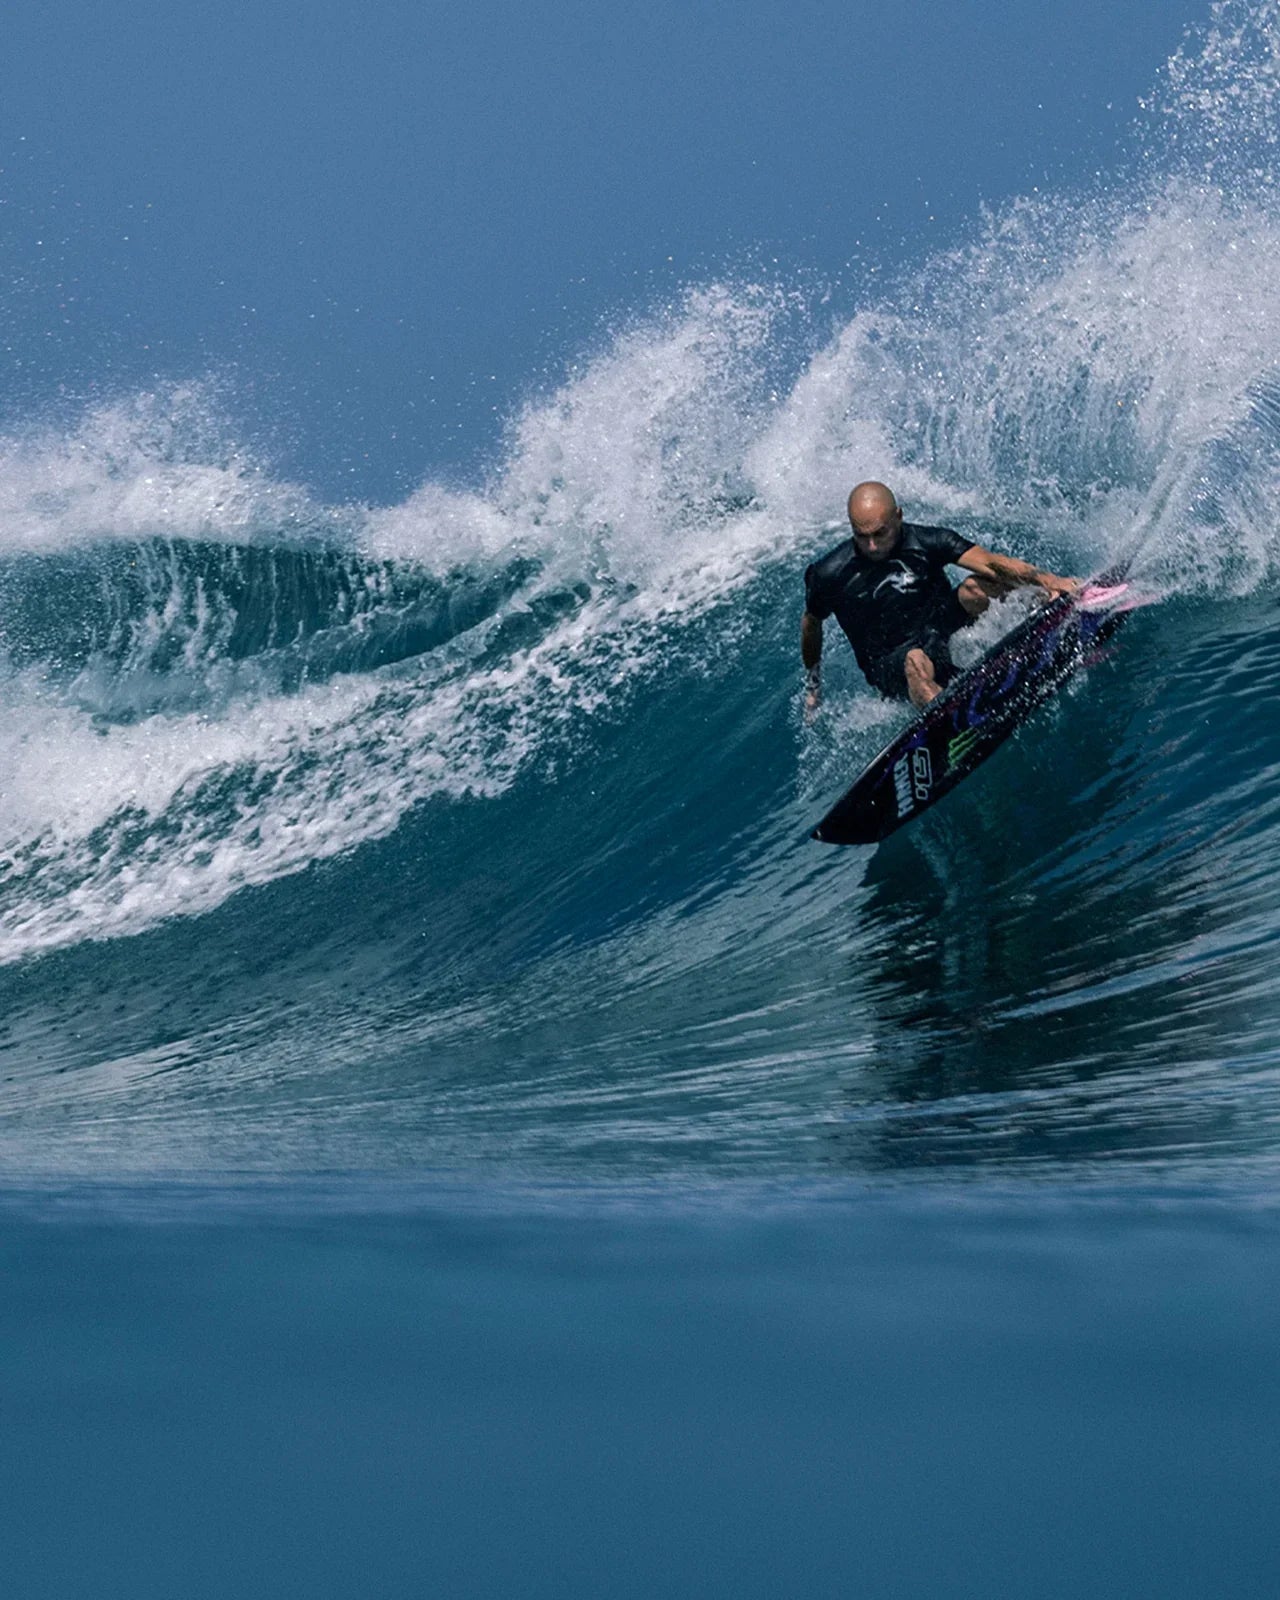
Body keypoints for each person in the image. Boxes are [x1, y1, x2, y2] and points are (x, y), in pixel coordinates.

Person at [801, 481, 1077, 713]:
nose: (871, 545)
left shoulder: (927, 541)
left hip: (938, 631)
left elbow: (991, 563)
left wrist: (1051, 580)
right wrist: (814, 685)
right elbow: (812, 624)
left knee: (975, 589)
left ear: (898, 516)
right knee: (915, 660)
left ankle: (1053, 608)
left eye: (879, 533)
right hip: (890, 662)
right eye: (861, 536)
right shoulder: (829, 573)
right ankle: (949, 720)